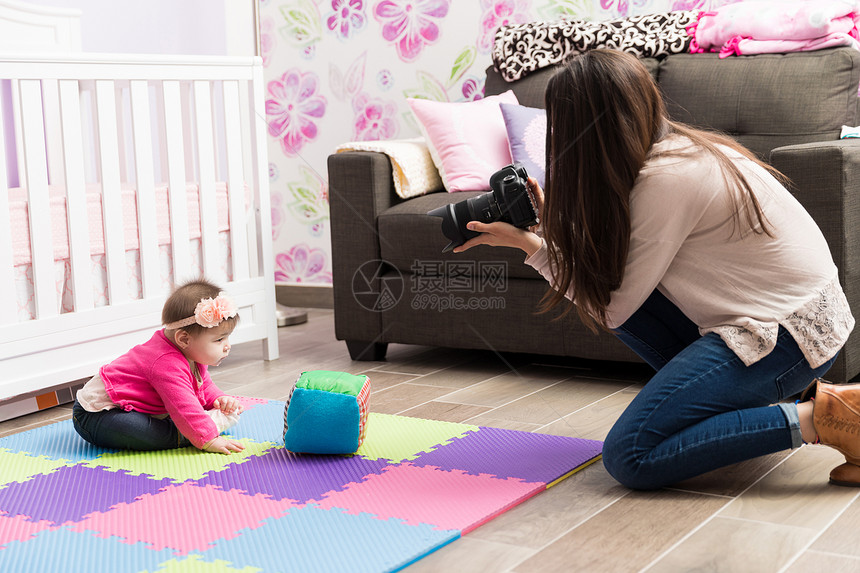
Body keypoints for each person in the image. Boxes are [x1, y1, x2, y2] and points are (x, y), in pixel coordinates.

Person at [453, 49, 858, 489]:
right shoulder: (675, 152)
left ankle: (825, 416)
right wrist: (549, 225)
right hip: (790, 320)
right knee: (622, 296)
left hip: (787, 336)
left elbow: (611, 307)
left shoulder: (668, 179)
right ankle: (800, 405)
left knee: (631, 455)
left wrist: (531, 246)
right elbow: (616, 272)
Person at [72, 278, 245, 454]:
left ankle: (195, 426)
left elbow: (202, 384)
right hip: (95, 415)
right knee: (145, 429)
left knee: (184, 415)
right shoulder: (165, 363)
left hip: (128, 408)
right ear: (184, 339)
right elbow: (184, 405)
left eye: (227, 337)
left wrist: (219, 400)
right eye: (219, 340)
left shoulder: (189, 352)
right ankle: (193, 430)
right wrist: (208, 439)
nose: (227, 345)